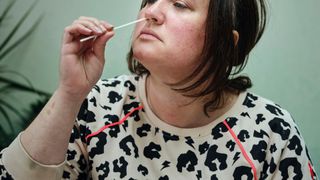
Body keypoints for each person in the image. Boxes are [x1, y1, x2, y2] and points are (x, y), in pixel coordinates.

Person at [0, 0, 318, 179]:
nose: (150, 12)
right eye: (151, 0)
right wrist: (70, 92)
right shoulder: (95, 107)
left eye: (180, 3)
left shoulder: (271, 132)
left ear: (226, 43)